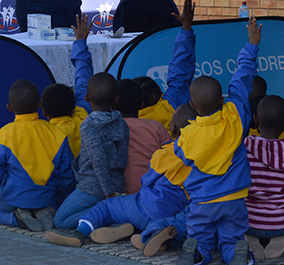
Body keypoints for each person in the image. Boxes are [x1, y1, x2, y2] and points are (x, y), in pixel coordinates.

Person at [44, 104, 196, 250]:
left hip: (146, 205)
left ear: (173, 128)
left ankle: (80, 232)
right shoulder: (201, 158)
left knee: (106, 207)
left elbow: (147, 181)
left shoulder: (164, 154)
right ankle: (154, 237)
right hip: (176, 211)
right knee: (173, 223)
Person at [174, 17, 261, 265]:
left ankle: (197, 254)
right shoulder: (235, 118)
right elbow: (241, 81)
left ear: (192, 106)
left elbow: (181, 154)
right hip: (234, 199)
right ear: (222, 101)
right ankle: (238, 256)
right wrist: (251, 45)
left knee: (200, 238)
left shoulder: (188, 135)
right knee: (232, 238)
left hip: (202, 201)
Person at [0, 79, 74, 231]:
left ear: (9, 107)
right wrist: (51, 193)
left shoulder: (4, 135)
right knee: (53, 200)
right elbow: (66, 175)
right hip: (47, 197)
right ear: (39, 104)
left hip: (14, 198)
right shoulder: (57, 133)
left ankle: (17, 219)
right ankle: (42, 210)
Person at [52, 72, 129, 230]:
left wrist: (108, 194)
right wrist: (113, 190)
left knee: (60, 221)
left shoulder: (89, 125)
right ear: (116, 99)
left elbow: (98, 160)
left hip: (93, 188)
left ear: (86, 97)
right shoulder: (122, 123)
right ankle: (110, 212)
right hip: (116, 185)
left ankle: (107, 213)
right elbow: (122, 159)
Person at [243, 95, 284, 259]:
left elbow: (237, 183)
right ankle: (278, 237)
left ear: (255, 120)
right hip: (282, 222)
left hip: (249, 221)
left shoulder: (244, 149)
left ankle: (251, 238)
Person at [137, 0, 196, 131]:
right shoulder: (170, 106)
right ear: (155, 97)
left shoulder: (126, 123)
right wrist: (186, 28)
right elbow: (180, 73)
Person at [42, 14, 94, 159]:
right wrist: (80, 42)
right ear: (73, 108)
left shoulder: (43, 136)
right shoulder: (83, 116)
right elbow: (83, 78)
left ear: (44, 112)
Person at [117, 79, 170, 194]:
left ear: (113, 105)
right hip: (154, 193)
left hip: (120, 195)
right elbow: (171, 160)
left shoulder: (109, 129)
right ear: (141, 104)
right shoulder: (157, 128)